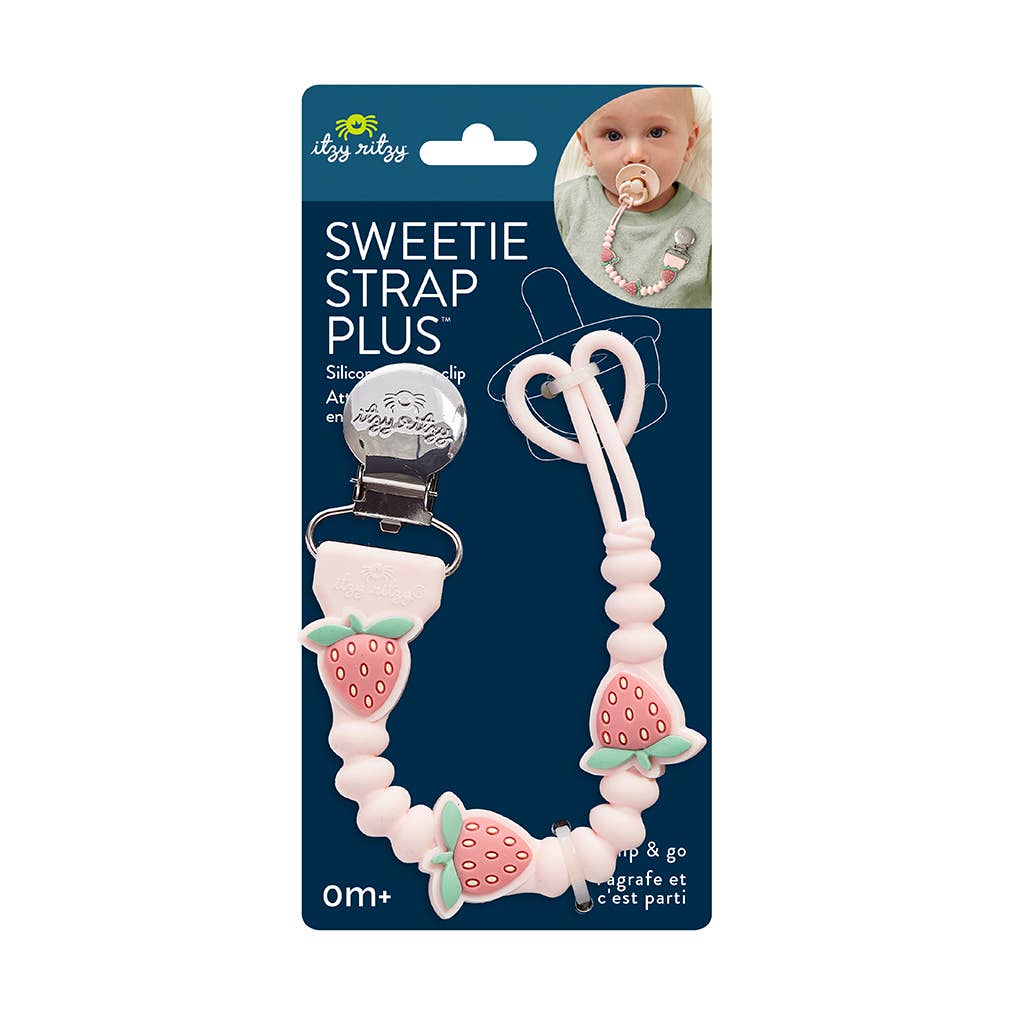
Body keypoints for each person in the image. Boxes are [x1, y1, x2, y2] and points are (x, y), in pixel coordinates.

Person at [555, 87, 711, 308]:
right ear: (586, 148)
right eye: (613, 135)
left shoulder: (709, 226)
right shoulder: (564, 205)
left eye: (656, 132)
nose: (635, 154)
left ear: (689, 142)